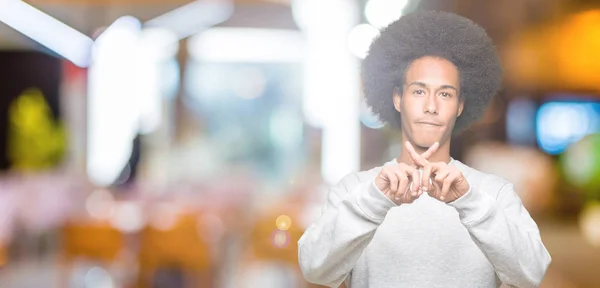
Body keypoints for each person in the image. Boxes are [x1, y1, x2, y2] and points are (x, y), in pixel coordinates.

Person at [297, 10, 551, 288]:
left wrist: (470, 201)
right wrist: (374, 200)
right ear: (397, 98)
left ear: (460, 105)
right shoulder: (356, 190)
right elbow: (314, 268)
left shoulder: (493, 193)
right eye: (419, 91)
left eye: (445, 93)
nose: (431, 106)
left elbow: (532, 275)